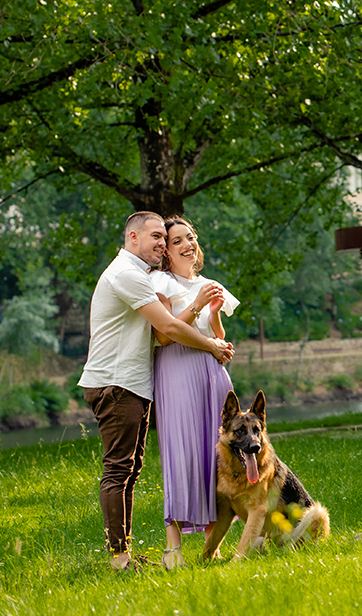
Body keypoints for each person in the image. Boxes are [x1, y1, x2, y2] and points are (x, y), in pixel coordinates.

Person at [78, 211, 233, 572]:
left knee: (129, 470)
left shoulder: (139, 274)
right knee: (119, 470)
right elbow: (166, 328)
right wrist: (211, 347)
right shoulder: (127, 274)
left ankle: (125, 553)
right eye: (155, 237)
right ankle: (119, 559)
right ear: (133, 237)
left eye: (165, 239)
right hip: (115, 383)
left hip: (130, 382)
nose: (162, 245)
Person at [150, 216, 240, 570]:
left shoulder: (207, 284)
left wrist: (215, 315)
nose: (188, 244)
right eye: (177, 241)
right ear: (167, 252)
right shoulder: (159, 281)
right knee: (183, 453)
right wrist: (199, 303)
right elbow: (164, 335)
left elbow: (216, 335)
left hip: (212, 375)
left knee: (214, 457)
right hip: (178, 371)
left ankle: (212, 544)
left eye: (190, 237)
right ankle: (173, 549)